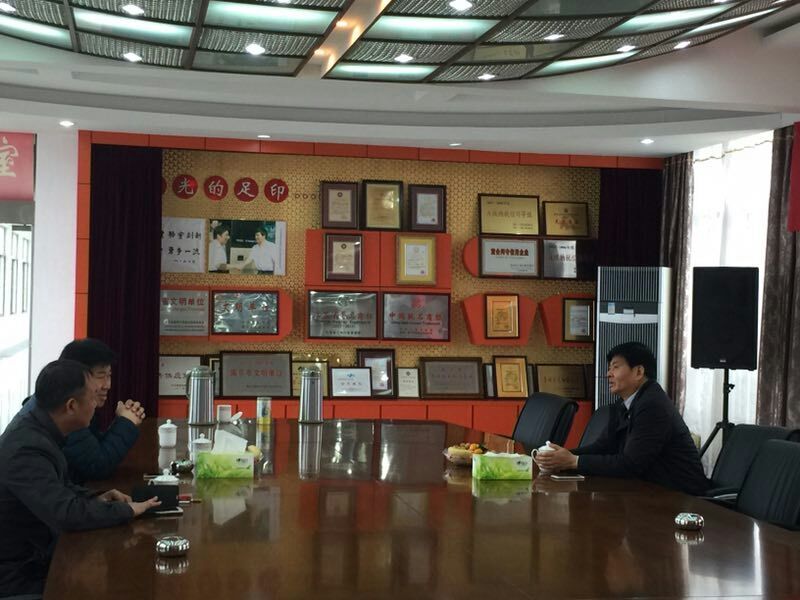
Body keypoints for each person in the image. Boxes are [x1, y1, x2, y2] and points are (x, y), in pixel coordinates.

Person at [0, 360, 160, 598]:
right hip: (19, 578)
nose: (96, 404)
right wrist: (127, 511)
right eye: (93, 397)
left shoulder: (40, 425)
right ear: (72, 406)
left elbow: (58, 487)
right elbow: (66, 514)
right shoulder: (26, 449)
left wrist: (96, 497)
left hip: (36, 561)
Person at [534, 341, 709, 496]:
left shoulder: (653, 405)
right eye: (609, 368)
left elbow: (631, 464)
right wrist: (563, 456)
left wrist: (574, 461)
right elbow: (603, 446)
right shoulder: (624, 403)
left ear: (638, 372)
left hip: (680, 498)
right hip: (647, 491)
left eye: (615, 367)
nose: (608, 374)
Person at [21, 338, 144, 484]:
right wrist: (126, 422)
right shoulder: (65, 412)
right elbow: (97, 465)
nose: (108, 385)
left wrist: (121, 421)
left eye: (109, 375)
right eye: (100, 376)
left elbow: (92, 449)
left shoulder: (65, 401)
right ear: (76, 374)